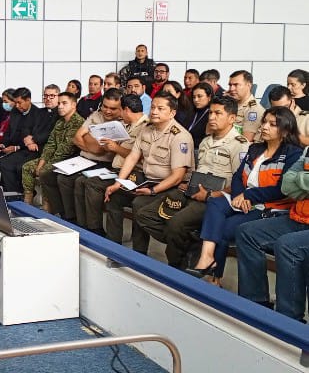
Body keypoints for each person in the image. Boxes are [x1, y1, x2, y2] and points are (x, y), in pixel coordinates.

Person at [186, 107, 301, 282]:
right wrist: (240, 196)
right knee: (215, 203)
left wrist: (249, 196)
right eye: (264, 122)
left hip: (268, 207)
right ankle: (206, 257)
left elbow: (282, 189)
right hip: (244, 199)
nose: (264, 127)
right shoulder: (255, 148)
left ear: (285, 130)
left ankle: (213, 277)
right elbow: (238, 176)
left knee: (223, 228)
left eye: (272, 124)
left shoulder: (293, 154)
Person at [136, 96, 250, 268]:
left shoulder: (239, 145)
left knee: (176, 224)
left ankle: (176, 265)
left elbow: (240, 184)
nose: (212, 117)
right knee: (145, 214)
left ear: (232, 118)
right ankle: (189, 244)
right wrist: (188, 183)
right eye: (210, 113)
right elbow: (200, 170)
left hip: (215, 199)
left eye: (218, 113)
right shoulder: (206, 141)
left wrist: (211, 195)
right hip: (192, 190)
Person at [103, 93, 195, 254]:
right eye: (152, 107)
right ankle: (113, 248)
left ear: (172, 113)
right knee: (114, 195)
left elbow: (177, 176)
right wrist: (118, 183)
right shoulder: (146, 129)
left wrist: (152, 191)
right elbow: (132, 157)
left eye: (160, 108)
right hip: (147, 179)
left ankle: (138, 253)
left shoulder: (180, 137)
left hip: (170, 186)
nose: (154, 111)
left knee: (139, 203)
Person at [236, 150, 309, 321]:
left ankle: (288, 320)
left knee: (287, 246)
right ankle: (255, 305)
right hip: (299, 217)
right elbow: (286, 186)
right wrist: (302, 182)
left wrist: (298, 179)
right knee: (247, 233)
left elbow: (293, 181)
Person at [75, 94, 148, 235]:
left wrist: (115, 148)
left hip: (134, 174)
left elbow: (138, 157)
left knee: (93, 184)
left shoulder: (145, 127)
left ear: (126, 110)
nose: (118, 115)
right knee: (80, 181)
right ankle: (84, 226)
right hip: (118, 170)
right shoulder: (128, 124)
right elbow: (80, 137)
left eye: (118, 110)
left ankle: (95, 230)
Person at [46, 89, 124, 218]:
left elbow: (100, 149)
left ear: (121, 108)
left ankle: (77, 221)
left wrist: (87, 136)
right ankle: (65, 216)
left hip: (102, 163)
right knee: (48, 174)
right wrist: (91, 144)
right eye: (105, 106)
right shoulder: (96, 115)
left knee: (72, 180)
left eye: (113, 108)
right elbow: (77, 138)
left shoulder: (119, 124)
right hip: (83, 159)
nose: (107, 111)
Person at [21, 92, 84, 204]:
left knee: (44, 172)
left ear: (74, 105)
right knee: (27, 167)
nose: (60, 106)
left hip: (69, 161)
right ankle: (28, 202)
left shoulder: (78, 123)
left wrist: (43, 166)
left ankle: (47, 207)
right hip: (54, 159)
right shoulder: (60, 122)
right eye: (59, 103)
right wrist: (41, 163)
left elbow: (65, 150)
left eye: (64, 103)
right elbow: (50, 145)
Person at [0, 87, 39, 191]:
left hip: (24, 149)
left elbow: (33, 138)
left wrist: (16, 148)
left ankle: (12, 194)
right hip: (10, 146)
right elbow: (8, 131)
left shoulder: (37, 114)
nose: (17, 106)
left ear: (28, 100)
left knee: (6, 163)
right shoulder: (15, 111)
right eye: (15, 102)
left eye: (19, 103)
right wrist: (3, 144)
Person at [227, 69, 265, 142]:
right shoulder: (231, 103)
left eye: (236, 85)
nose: (231, 89)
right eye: (230, 85)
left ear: (248, 85)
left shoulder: (253, 110)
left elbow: (246, 140)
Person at [185, 82, 213, 150]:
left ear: (209, 97)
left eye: (199, 96)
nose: (196, 100)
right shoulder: (191, 111)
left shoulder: (212, 115)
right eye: (194, 97)